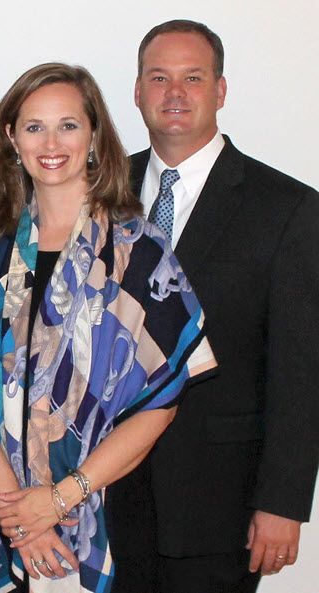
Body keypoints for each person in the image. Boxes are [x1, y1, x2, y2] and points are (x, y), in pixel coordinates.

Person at [0, 63, 217, 593]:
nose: (52, 143)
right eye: (34, 127)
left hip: (107, 511)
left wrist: (56, 499)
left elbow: (162, 403)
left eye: (68, 125)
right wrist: (20, 516)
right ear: (12, 138)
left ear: (94, 135)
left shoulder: (139, 253)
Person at [106, 19, 319, 593]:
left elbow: (301, 372)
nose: (175, 93)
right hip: (112, 495)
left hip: (223, 502)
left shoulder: (287, 208)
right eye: (159, 78)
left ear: (220, 91)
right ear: (137, 91)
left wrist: (284, 502)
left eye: (192, 78)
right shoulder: (102, 193)